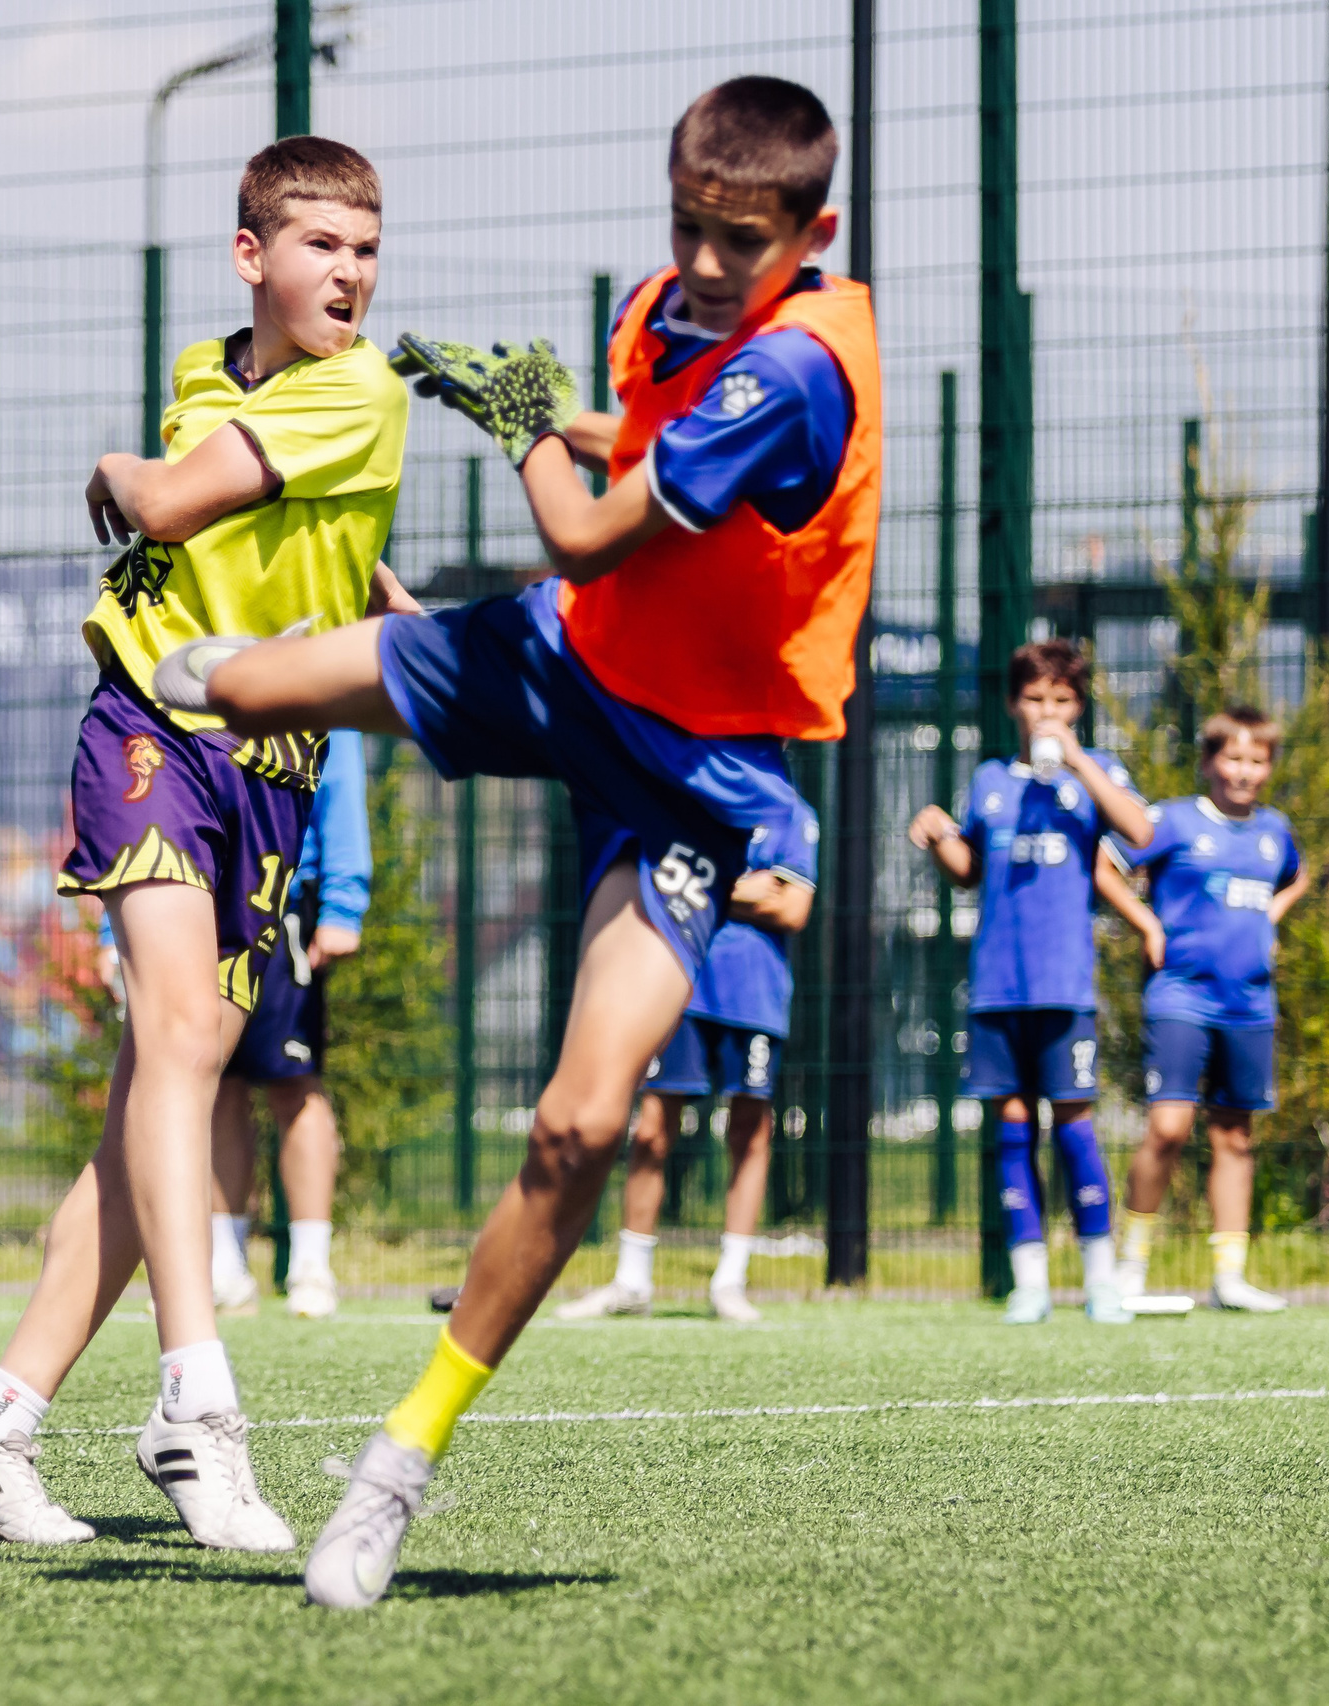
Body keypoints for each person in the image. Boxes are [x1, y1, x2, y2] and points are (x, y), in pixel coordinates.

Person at [178, 76, 880, 1606]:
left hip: (687, 777)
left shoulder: (808, 370)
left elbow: (582, 524)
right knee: (216, 683)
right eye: (685, 226)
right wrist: (568, 407)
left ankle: (394, 1464)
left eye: (738, 242)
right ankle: (166, 1004)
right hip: (560, 665)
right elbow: (638, 437)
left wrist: (518, 431)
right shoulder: (676, 304)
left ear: (811, 233)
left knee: (576, 1123)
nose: (701, 262)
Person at [0, 135, 411, 1553]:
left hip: (273, 772)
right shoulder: (217, 374)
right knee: (186, 1045)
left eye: (368, 251)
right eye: (323, 246)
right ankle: (195, 1411)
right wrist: (150, 481)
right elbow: (188, 506)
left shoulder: (361, 389)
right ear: (253, 254)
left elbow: (169, 498)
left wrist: (121, 467)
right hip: (149, 727)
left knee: (150, 1123)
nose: (352, 274)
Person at [909, 638, 1150, 1328]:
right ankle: (1030, 1280)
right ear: (1014, 703)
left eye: (1062, 700)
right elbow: (971, 868)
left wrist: (1075, 757)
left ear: (1079, 707)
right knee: (1013, 1128)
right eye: (1036, 699)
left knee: (1074, 1125)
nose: (1048, 711)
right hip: (996, 988)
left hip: (1064, 986)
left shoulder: (1094, 771)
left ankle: (1101, 1280)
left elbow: (1138, 832)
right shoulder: (989, 778)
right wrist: (938, 834)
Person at [560, 800, 817, 1324]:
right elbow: (656, 883)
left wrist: (710, 886)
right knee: (652, 1127)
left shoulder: (793, 813)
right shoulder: (693, 792)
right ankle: (631, 1281)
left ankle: (730, 1281)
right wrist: (747, 885)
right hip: (678, 986)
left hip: (755, 995)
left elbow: (792, 910)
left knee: (749, 1128)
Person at [1100, 706, 1304, 1312]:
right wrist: (1146, 924)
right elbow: (1106, 868)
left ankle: (1229, 1276)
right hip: (1182, 997)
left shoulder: (1274, 830)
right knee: (1169, 1127)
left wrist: (1272, 917)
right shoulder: (1176, 821)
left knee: (1235, 1135)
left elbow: (1295, 875)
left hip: (1250, 1003)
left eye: (1257, 761)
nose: (1244, 772)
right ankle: (1130, 1266)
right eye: (1233, 758)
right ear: (1211, 761)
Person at [208, 726, 370, 1320]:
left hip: (286, 908)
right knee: (213, 1086)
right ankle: (223, 1267)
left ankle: (310, 1265)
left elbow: (341, 781)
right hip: (200, 904)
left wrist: (343, 904)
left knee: (293, 1086)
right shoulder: (193, 666)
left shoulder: (309, 674)